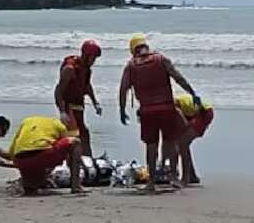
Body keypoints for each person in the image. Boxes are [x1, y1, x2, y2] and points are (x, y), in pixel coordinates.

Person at [118, 34, 201, 193]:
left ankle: (151, 182)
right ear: (145, 47)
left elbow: (123, 90)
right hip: (166, 107)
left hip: (147, 110)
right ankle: (173, 177)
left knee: (151, 145)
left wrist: (122, 110)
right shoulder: (161, 59)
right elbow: (178, 78)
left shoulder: (131, 66)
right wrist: (192, 93)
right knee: (170, 141)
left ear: (133, 50)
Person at [9, 114, 84, 196]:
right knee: (75, 142)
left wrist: (18, 164)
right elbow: (67, 149)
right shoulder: (59, 124)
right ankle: (76, 186)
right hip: (43, 157)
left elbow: (12, 148)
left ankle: (30, 186)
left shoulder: (27, 121)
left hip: (20, 160)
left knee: (31, 186)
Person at [55, 40, 103, 156]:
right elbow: (58, 91)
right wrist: (62, 112)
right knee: (75, 136)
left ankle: (87, 160)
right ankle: (76, 163)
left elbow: (87, 86)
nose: (94, 61)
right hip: (68, 106)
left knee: (84, 134)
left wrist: (95, 102)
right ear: (86, 55)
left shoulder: (86, 69)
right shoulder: (70, 69)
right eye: (93, 58)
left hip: (79, 105)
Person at [173, 93, 214, 184]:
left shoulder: (182, 104)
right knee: (183, 145)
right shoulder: (180, 108)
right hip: (196, 114)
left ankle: (185, 178)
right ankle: (192, 175)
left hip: (204, 113)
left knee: (182, 144)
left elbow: (198, 106)